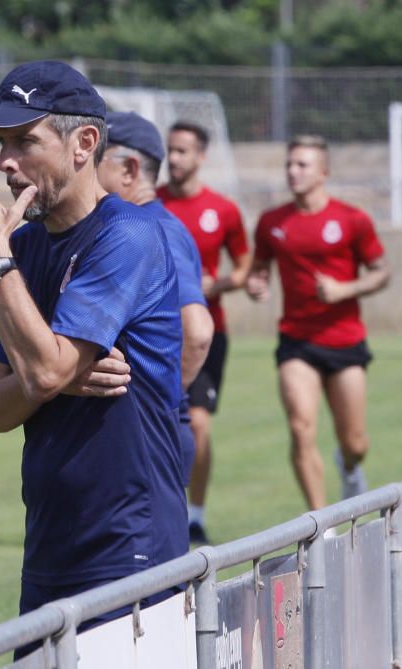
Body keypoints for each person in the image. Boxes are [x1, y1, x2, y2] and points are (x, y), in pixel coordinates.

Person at [0, 61, 187, 654]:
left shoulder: (126, 235)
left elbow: (44, 370)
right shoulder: (24, 248)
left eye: (24, 142)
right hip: (49, 551)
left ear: (84, 143)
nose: (6, 163)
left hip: (130, 548)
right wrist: (52, 376)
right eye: (1, 146)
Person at [246, 135, 389, 510]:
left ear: (323, 172)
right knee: (300, 427)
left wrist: (346, 289)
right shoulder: (272, 222)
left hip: (345, 341)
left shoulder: (352, 220)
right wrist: (256, 284)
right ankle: (320, 523)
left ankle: (349, 465)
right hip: (297, 341)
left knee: (355, 442)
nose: (293, 171)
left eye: (302, 165)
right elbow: (259, 269)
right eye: (289, 164)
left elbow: (381, 272)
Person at [98, 111, 214, 494]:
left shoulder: (152, 228)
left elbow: (197, 333)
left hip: (150, 434)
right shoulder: (141, 223)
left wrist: (156, 405)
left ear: (130, 169)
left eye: (97, 156)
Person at [158, 120, 251, 544]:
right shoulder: (150, 204)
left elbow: (245, 265)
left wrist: (222, 283)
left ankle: (194, 512)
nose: (174, 158)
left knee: (196, 424)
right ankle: (159, 508)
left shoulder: (224, 210)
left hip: (206, 333)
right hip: (155, 334)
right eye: (170, 150)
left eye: (182, 151)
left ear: (200, 156)